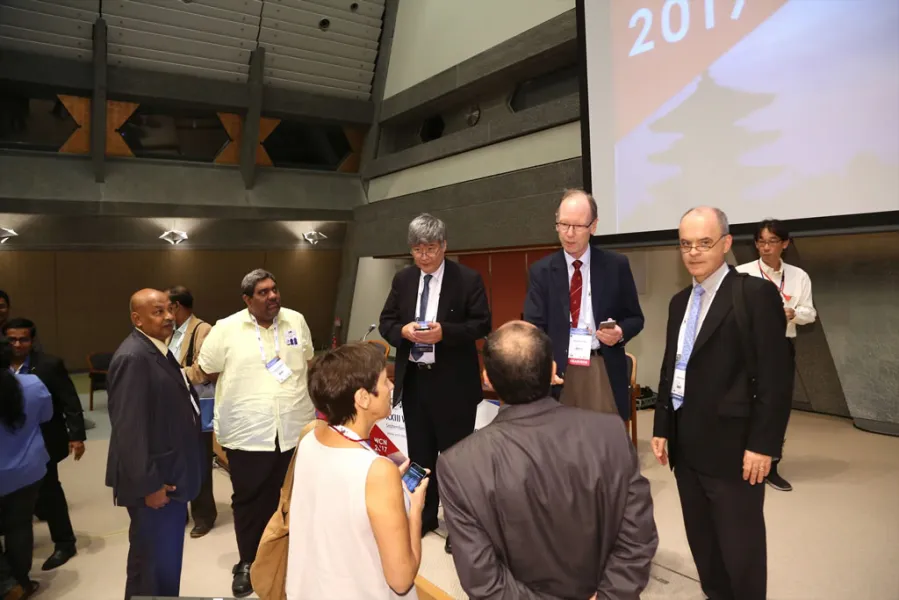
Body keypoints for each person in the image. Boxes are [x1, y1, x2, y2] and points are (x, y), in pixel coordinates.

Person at [437, 321, 657, 599]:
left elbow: (485, 583)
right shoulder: (610, 433)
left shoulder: (459, 465)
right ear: (553, 371)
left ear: (487, 379)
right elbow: (638, 537)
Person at [652, 207, 793, 600]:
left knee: (740, 547)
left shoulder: (754, 295)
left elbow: (776, 378)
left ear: (726, 243)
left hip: (735, 450)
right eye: (685, 244)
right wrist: (662, 425)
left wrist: (764, 445)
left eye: (704, 242)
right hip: (686, 446)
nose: (693, 252)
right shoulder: (679, 302)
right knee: (703, 542)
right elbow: (671, 366)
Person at [198, 269, 315, 598]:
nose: (273, 296)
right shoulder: (226, 328)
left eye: (274, 289)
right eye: (263, 292)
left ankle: (288, 558)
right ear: (247, 299)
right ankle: (249, 562)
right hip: (248, 431)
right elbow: (207, 368)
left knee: (292, 499)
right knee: (250, 499)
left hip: (293, 428)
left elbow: (307, 362)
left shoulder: (296, 321)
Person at [378, 213, 491, 554]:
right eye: (417, 250)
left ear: (444, 246)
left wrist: (446, 333)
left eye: (430, 248)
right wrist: (402, 331)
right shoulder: (403, 279)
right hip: (416, 383)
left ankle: (460, 525)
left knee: (456, 460)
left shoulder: (467, 279)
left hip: (454, 385)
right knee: (420, 455)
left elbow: (482, 324)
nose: (424, 256)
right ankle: (424, 515)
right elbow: (386, 321)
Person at [287, 343, 427, 599]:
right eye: (384, 381)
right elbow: (401, 579)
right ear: (363, 398)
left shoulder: (309, 437)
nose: (391, 387)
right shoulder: (378, 471)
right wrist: (415, 509)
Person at [105, 289, 204, 600]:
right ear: (137, 319)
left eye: (170, 310)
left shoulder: (156, 348)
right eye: (158, 312)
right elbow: (129, 430)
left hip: (169, 472)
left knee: (159, 562)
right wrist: (150, 485)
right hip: (157, 483)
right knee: (153, 565)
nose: (169, 317)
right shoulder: (133, 357)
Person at [524, 189, 644, 421]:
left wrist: (620, 332)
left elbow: (635, 318)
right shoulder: (541, 271)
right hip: (558, 369)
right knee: (560, 437)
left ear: (593, 226)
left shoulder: (615, 265)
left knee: (603, 437)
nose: (569, 233)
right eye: (563, 225)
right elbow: (533, 326)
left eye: (578, 226)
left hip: (601, 366)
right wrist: (543, 362)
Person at [736, 219, 816, 492]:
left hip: (781, 347)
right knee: (742, 403)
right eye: (761, 242)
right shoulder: (742, 273)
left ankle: (771, 465)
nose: (766, 247)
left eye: (772, 241)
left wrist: (793, 314)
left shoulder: (798, 276)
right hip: (746, 348)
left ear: (785, 243)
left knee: (776, 407)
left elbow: (810, 313)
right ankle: (740, 459)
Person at [2, 318, 85, 570]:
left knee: (50, 492)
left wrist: (76, 435)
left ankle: (64, 543)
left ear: (33, 340)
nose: (17, 344)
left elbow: (69, 400)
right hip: (7, 447)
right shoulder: (1, 365)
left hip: (42, 442)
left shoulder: (49, 365)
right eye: (12, 340)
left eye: (23, 339)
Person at [0, 337, 53, 599]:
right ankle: (21, 582)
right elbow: (46, 416)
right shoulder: (32, 384)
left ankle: (7, 583)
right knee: (19, 527)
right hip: (27, 470)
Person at [166, 286, 217, 536]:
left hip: (196, 406)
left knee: (199, 462)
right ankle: (179, 510)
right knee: (175, 461)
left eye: (166, 307)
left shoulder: (202, 330)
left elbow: (205, 370)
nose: (164, 314)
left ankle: (204, 515)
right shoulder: (169, 332)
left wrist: (170, 375)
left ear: (176, 306)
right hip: (172, 405)